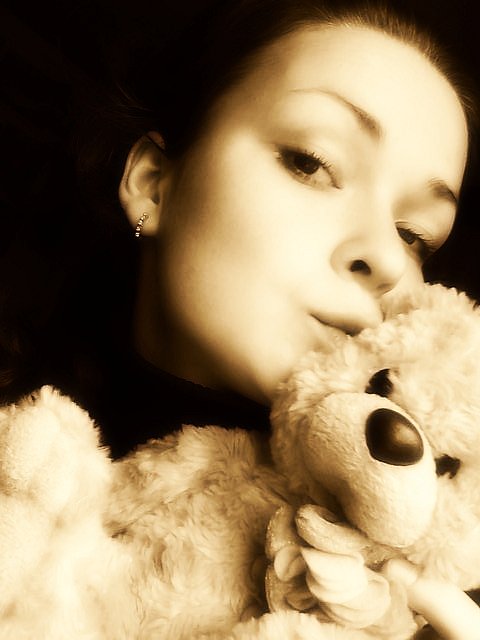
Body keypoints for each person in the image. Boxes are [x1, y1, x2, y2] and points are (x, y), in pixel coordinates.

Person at [2, 0, 480, 637]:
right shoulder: (23, 454)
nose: (390, 258)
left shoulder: (401, 586)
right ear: (153, 183)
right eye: (311, 162)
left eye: (416, 233)